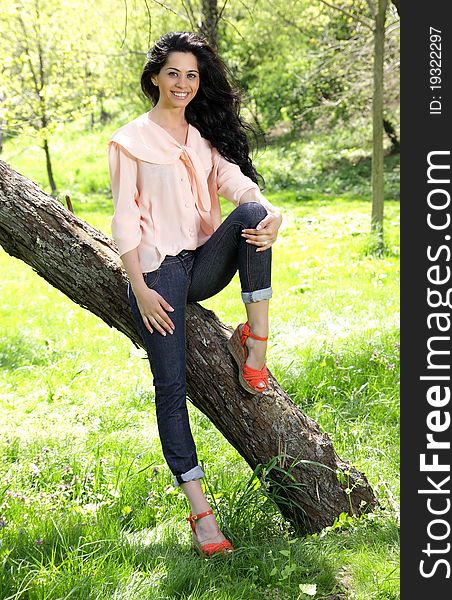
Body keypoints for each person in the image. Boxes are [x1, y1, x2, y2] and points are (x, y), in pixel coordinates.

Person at [107, 31, 282, 556]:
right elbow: (123, 219)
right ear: (155, 78)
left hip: (201, 264)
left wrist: (270, 208)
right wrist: (138, 288)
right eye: (173, 74)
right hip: (158, 270)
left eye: (192, 75)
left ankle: (256, 346)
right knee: (171, 383)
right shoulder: (129, 141)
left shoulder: (199, 137)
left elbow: (233, 179)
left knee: (253, 214)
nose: (183, 84)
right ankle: (201, 513)